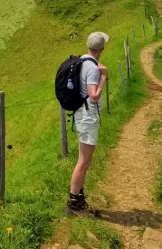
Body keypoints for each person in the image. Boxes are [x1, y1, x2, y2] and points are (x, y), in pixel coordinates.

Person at [66, 31, 108, 216]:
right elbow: (93, 96)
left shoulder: (82, 61)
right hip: (87, 116)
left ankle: (78, 199)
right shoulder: (92, 68)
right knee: (83, 161)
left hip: (81, 114)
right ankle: (73, 202)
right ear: (102, 48)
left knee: (85, 160)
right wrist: (103, 77)